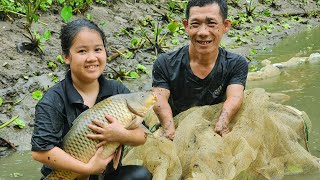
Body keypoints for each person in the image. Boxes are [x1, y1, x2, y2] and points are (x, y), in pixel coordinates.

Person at [31, 19, 152, 180]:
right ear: (67, 56)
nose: (92, 58)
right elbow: (40, 152)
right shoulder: (52, 101)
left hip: (106, 175)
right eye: (82, 51)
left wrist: (119, 134)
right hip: (65, 175)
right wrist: (87, 168)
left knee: (140, 175)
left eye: (98, 49)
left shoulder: (118, 91)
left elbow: (142, 136)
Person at [152, 0, 248, 140]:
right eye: (195, 24)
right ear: (186, 26)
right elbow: (159, 99)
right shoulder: (165, 63)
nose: (203, 32)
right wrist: (169, 130)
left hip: (215, 126)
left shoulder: (236, 64)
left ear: (225, 25)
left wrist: (222, 123)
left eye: (211, 23)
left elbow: (235, 96)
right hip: (177, 127)